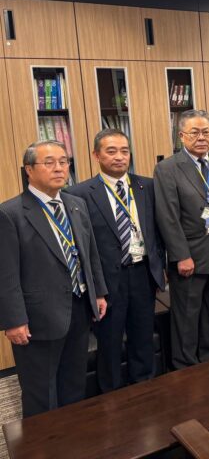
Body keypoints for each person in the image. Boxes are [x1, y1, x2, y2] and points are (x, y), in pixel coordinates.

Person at [0, 140, 108, 416]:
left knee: (74, 383)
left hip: (79, 307)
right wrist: (13, 320)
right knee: (41, 392)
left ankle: (71, 434)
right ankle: (42, 441)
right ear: (29, 170)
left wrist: (98, 292)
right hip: (38, 317)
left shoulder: (76, 204)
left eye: (63, 162)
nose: (59, 168)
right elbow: (6, 274)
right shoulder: (10, 213)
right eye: (49, 163)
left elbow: (90, 253)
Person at [68, 129, 165, 392]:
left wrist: (160, 268)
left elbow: (157, 231)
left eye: (124, 151)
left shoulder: (147, 186)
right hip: (108, 280)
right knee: (109, 342)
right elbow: (82, 246)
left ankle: (143, 388)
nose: (119, 157)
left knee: (143, 336)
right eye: (111, 151)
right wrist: (95, 287)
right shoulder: (79, 193)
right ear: (96, 155)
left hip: (143, 273)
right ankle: (110, 395)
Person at [154, 109, 209, 369]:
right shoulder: (168, 168)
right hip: (190, 257)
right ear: (181, 136)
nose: (201, 137)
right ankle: (185, 367)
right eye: (194, 132)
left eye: (206, 132)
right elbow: (168, 217)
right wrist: (181, 255)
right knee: (187, 317)